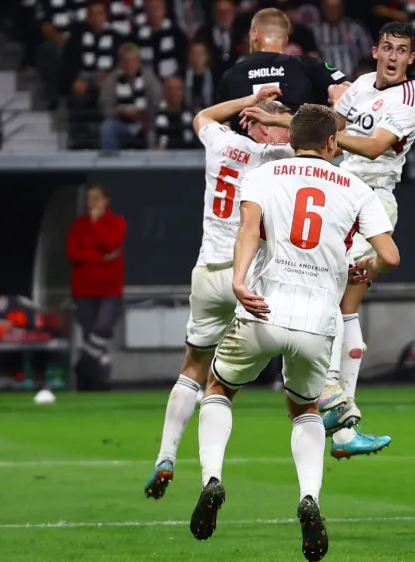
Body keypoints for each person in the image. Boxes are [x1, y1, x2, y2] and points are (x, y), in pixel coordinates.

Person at [242, 22, 415, 459]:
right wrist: (292, 127)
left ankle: (333, 397)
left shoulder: (411, 95)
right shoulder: (361, 86)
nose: (394, 56)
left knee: (340, 295)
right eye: (388, 48)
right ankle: (341, 425)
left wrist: (292, 124)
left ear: (411, 58)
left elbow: (373, 146)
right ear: (376, 51)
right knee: (336, 300)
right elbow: (335, 134)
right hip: (337, 192)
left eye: (402, 50)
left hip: (373, 199)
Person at [189, 104, 400, 562]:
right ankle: (309, 498)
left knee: (219, 388)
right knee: (304, 408)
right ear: (332, 143)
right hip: (318, 321)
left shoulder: (263, 174)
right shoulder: (356, 187)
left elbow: (248, 231)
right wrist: (367, 264)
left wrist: (239, 281)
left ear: (292, 137)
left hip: (264, 308)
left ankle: (212, 478)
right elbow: (390, 255)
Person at [142, 85, 293, 500]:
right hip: (247, 277)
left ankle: (165, 457)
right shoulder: (280, 157)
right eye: (278, 124)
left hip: (207, 273)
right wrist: (272, 115)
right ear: (263, 128)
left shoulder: (222, 143)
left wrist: (249, 102)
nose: (285, 130)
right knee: (222, 386)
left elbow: (202, 117)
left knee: (192, 366)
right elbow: (324, 132)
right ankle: (212, 475)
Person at [218, 8, 415, 131]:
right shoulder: (308, 65)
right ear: (287, 37)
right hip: (296, 169)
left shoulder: (231, 76)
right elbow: (360, 96)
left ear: (254, 35)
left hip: (249, 174)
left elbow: (219, 127)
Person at [66, 184, 127, 391]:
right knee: (91, 336)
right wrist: (100, 258)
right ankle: (98, 382)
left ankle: (82, 367)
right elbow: (73, 253)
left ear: (106, 200)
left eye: (96, 198)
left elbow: (111, 244)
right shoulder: (78, 225)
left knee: (102, 329)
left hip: (110, 288)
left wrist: (96, 223)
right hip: (84, 289)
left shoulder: (117, 222)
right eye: (89, 198)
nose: (91, 202)